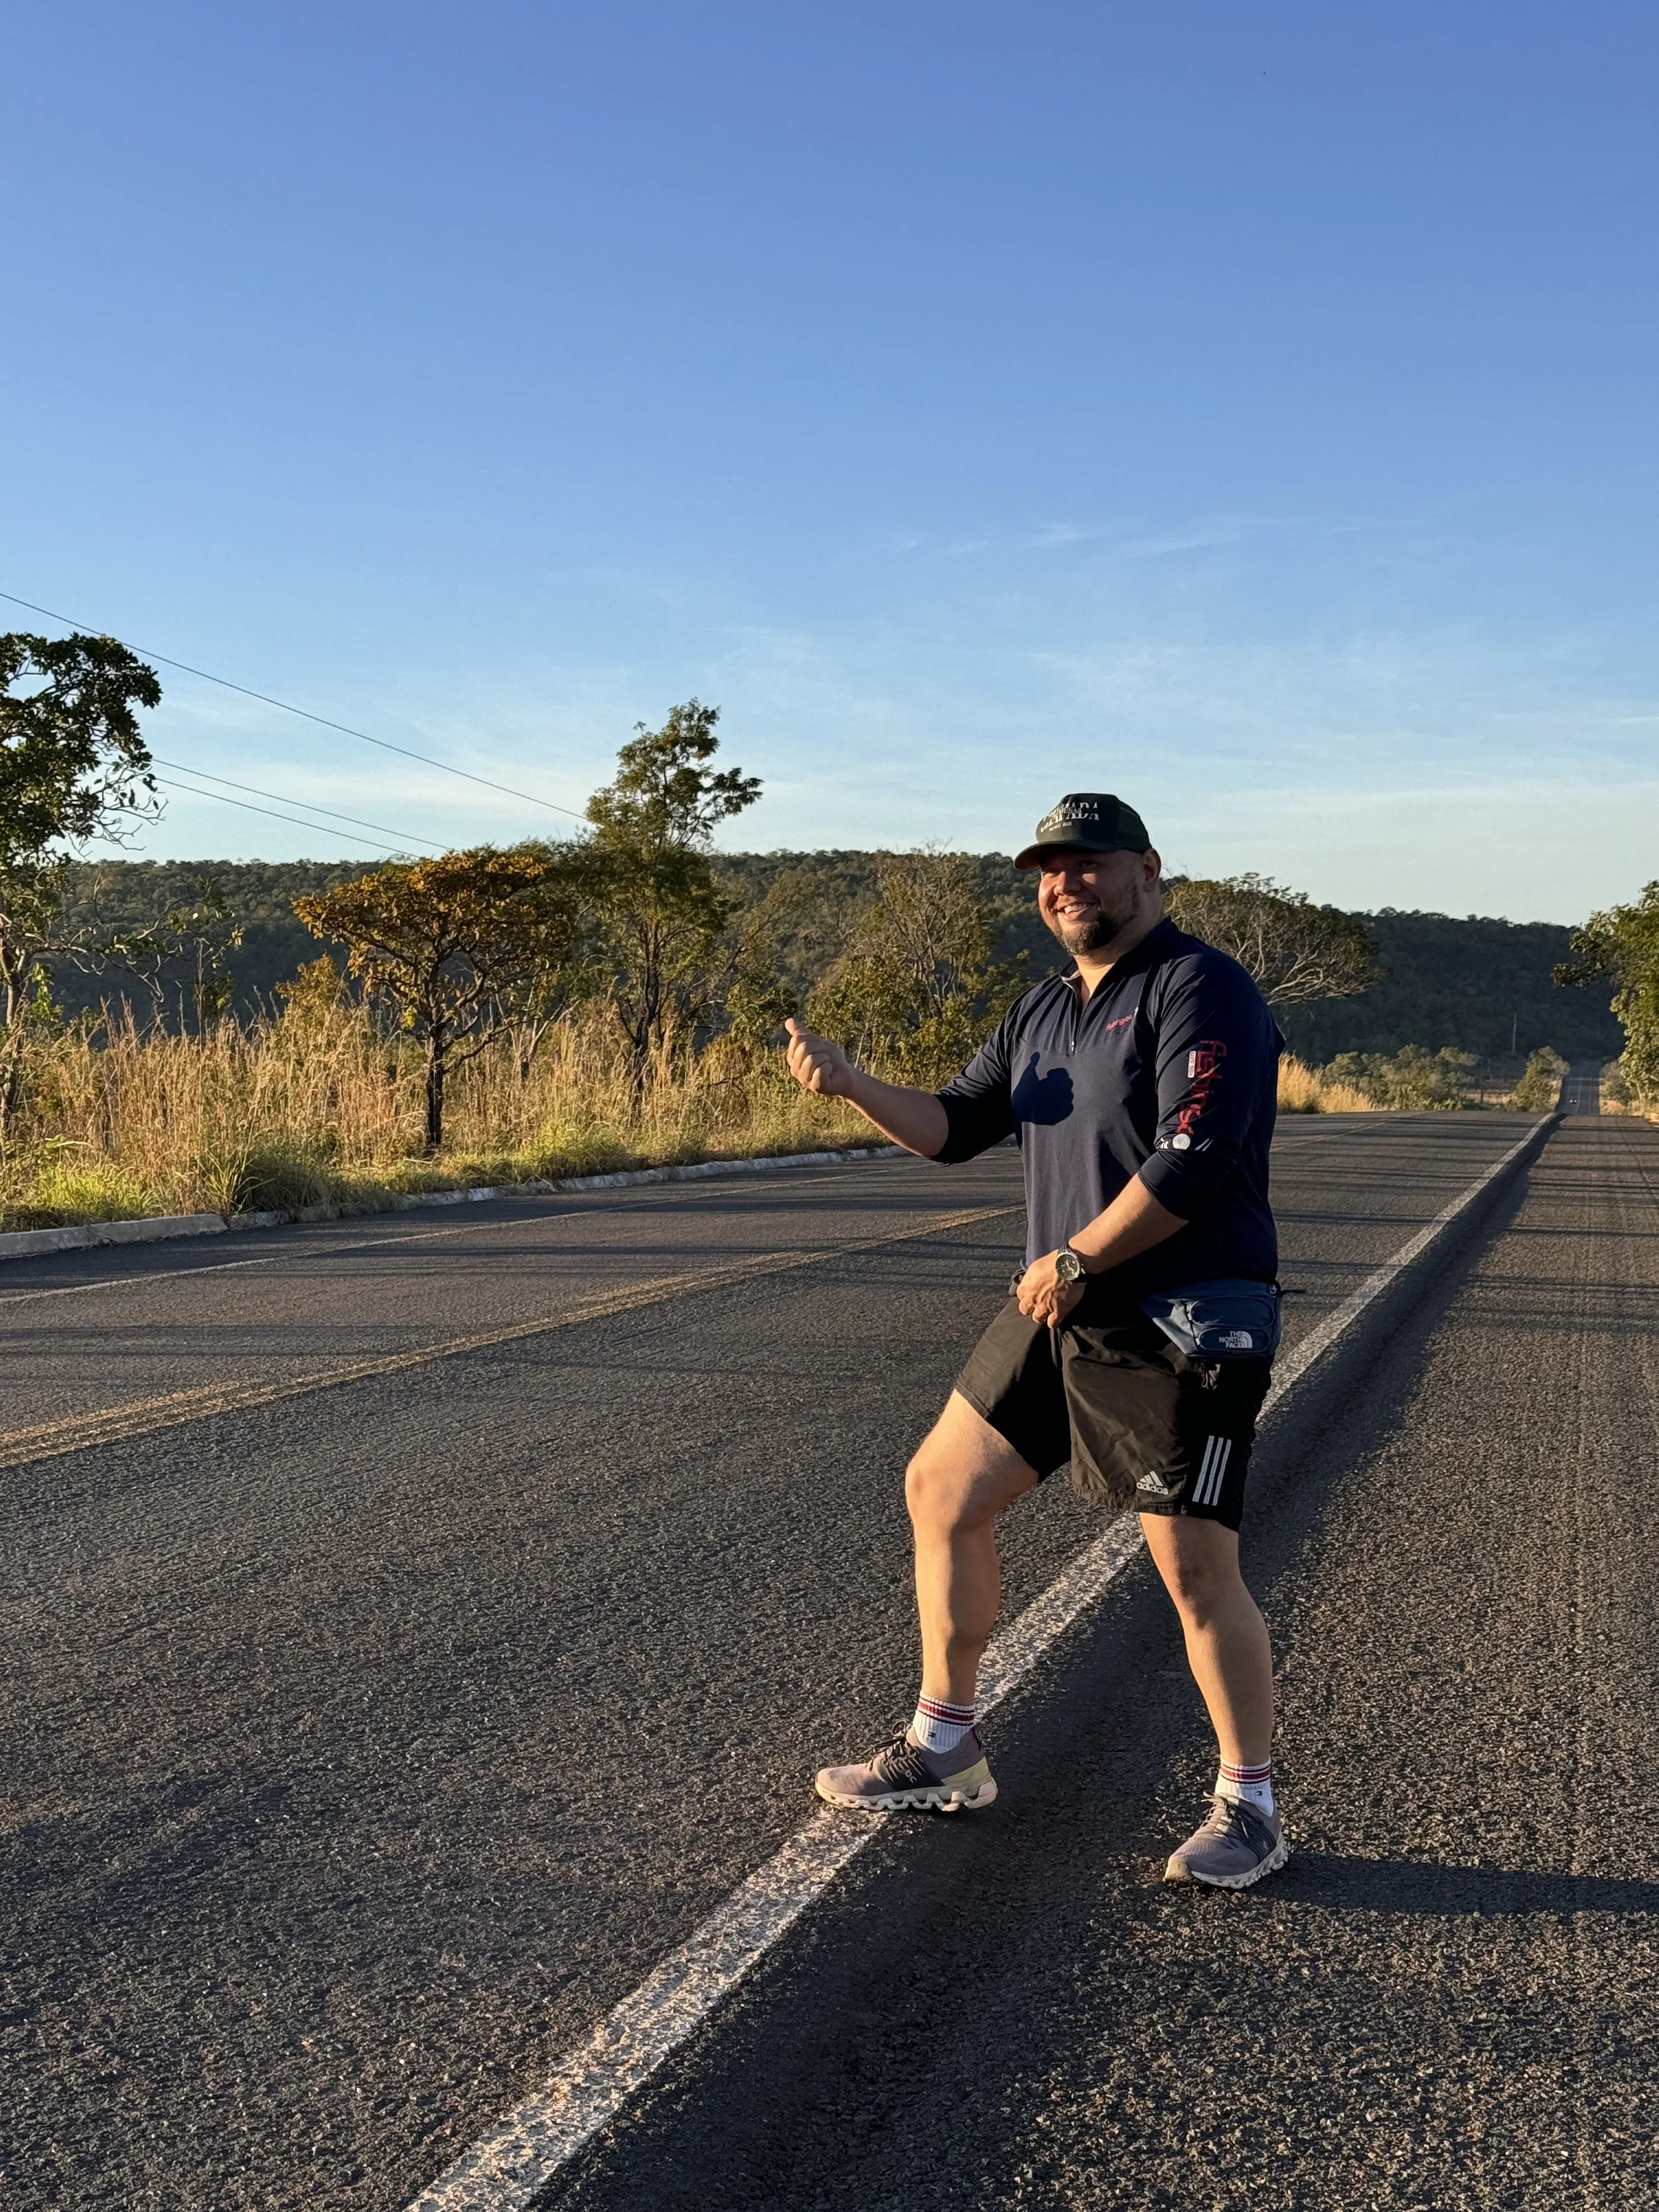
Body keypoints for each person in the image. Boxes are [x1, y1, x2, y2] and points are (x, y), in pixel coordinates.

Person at [783, 792, 1287, 1887]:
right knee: (941, 1489)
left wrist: (1075, 1259)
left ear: (1149, 869)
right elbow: (957, 1129)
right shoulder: (1044, 1010)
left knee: (1194, 1569)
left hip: (1185, 1317)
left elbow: (1193, 1159)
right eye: (1052, 870)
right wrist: (855, 1082)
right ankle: (945, 1747)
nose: (1070, 884)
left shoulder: (1203, 986)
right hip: (1067, 1304)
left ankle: (1251, 1806)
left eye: (1092, 864)